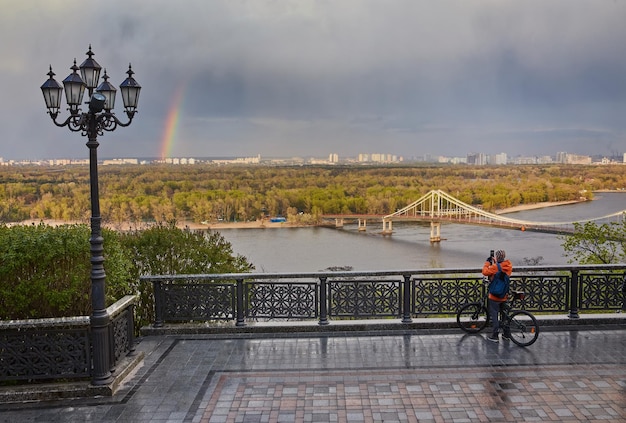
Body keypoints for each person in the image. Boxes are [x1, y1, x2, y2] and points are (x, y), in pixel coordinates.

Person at [482, 249, 513, 343]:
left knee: (494, 315)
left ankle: (495, 335)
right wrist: (496, 263)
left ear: (497, 257)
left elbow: (485, 272)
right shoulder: (509, 266)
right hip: (504, 294)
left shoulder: (495, 267)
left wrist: (487, 263)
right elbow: (501, 270)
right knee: (504, 315)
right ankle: (506, 334)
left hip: (495, 296)